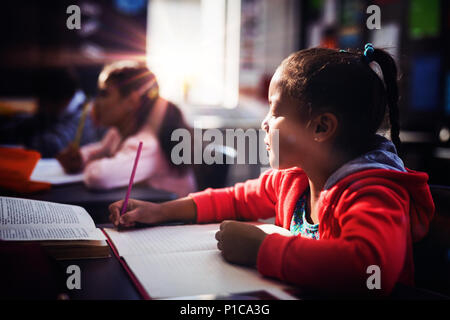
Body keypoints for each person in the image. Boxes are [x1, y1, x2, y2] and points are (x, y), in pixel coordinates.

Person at [108, 45, 435, 297]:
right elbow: (236, 199)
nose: (264, 122)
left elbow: (368, 267)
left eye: (275, 110)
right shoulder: (293, 179)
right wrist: (160, 211)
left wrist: (262, 249)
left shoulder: (374, 192)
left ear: (321, 127)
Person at [57, 61, 196, 198]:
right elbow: (99, 150)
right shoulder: (116, 133)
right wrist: (81, 157)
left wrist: (90, 163)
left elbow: (99, 177)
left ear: (131, 101)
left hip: (174, 219)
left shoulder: (146, 144)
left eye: (104, 94)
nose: (96, 102)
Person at [0, 68, 99, 157]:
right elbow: (27, 123)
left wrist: (22, 141)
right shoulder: (59, 106)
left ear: (61, 101)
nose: (39, 107)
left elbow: (53, 145)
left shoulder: (86, 115)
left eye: (42, 103)